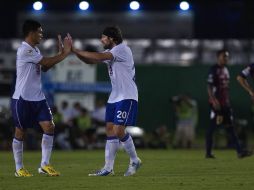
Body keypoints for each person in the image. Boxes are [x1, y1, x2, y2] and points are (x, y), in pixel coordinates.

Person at [71, 26, 141, 176]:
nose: (101, 39)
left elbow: (98, 57)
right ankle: (108, 168)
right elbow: (90, 60)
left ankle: (135, 160)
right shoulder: (112, 52)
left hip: (127, 95)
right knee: (110, 129)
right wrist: (73, 52)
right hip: (115, 96)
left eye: (103, 37)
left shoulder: (122, 49)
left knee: (119, 130)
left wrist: (75, 50)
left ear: (112, 38)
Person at [11, 19, 72, 177]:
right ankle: (19, 168)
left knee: (49, 127)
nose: (42, 34)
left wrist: (59, 55)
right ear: (31, 33)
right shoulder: (25, 50)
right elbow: (45, 62)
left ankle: (44, 164)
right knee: (20, 131)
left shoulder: (35, 50)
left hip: (38, 97)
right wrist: (64, 53)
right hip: (22, 98)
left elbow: (45, 67)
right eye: (39, 31)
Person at [205, 49, 252, 159]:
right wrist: (214, 101)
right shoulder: (214, 69)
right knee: (212, 128)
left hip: (225, 104)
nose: (226, 58)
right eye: (224, 56)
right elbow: (209, 87)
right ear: (218, 57)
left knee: (231, 128)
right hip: (217, 105)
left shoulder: (226, 70)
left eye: (227, 56)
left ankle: (240, 151)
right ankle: (208, 152)